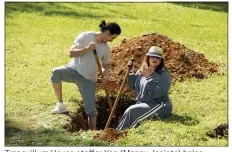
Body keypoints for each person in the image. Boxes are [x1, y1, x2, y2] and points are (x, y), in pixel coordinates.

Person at [51, 20, 121, 130]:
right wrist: (87, 49)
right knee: (56, 73)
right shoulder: (85, 36)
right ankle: (60, 105)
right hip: (73, 70)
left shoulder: (106, 49)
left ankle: (92, 134)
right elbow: (71, 53)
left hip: (88, 79)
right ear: (107, 33)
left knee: (91, 112)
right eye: (112, 37)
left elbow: (106, 64)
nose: (112, 40)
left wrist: (105, 74)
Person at [116, 46, 172, 131]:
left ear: (161, 60)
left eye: (158, 57)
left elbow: (158, 93)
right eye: (152, 56)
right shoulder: (142, 71)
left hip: (160, 105)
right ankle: (117, 132)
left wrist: (149, 77)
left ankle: (120, 134)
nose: (155, 59)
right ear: (148, 58)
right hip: (144, 104)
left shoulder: (163, 74)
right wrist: (131, 72)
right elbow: (134, 86)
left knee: (131, 110)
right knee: (131, 110)